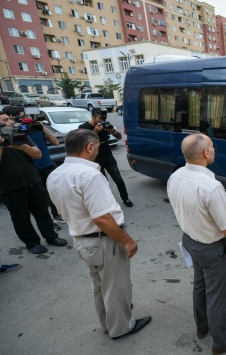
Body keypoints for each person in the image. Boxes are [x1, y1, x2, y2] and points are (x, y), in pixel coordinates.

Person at [47, 129, 151, 339]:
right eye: (97, 146)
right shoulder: (90, 175)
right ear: (90, 147)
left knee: (100, 286)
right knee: (116, 287)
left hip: (81, 239)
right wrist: (128, 241)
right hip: (103, 240)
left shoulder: (55, 174)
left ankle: (107, 324)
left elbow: (61, 210)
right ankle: (121, 327)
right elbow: (102, 218)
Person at [167, 133, 226, 355]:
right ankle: (222, 340)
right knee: (216, 295)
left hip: (190, 241)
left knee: (200, 286)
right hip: (211, 248)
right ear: (205, 153)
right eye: (212, 147)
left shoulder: (175, 176)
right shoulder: (210, 187)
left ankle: (202, 328)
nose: (214, 150)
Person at [0, 111, 68, 255]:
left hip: (33, 181)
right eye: (5, 121)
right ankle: (32, 243)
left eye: (9, 119)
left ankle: (51, 236)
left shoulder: (20, 136)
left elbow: (38, 154)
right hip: (11, 188)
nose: (10, 122)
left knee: (42, 212)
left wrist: (23, 146)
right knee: (21, 218)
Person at [5, 105, 63, 230]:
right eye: (22, 115)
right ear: (12, 117)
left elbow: (56, 142)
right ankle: (49, 224)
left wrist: (44, 129)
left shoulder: (37, 127)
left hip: (47, 164)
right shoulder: (18, 131)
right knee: (41, 200)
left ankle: (56, 215)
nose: (27, 117)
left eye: (28, 115)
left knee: (53, 192)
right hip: (33, 169)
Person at [79, 108, 133, 207]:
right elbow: (84, 143)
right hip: (95, 159)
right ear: (93, 117)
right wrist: (95, 132)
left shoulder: (105, 124)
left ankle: (125, 198)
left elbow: (119, 137)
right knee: (103, 182)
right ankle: (107, 202)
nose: (102, 120)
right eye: (100, 118)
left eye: (104, 118)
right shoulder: (83, 127)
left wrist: (113, 132)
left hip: (108, 156)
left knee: (118, 179)